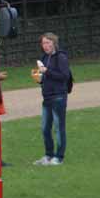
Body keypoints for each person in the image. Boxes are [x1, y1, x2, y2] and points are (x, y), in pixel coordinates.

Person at [33, 32, 71, 166]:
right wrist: (39, 78)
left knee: (58, 128)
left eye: (48, 43)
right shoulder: (44, 57)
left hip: (59, 97)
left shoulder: (61, 57)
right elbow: (46, 76)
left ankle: (59, 157)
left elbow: (64, 76)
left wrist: (46, 71)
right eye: (43, 43)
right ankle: (48, 155)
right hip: (47, 97)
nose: (46, 45)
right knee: (45, 128)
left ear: (54, 43)